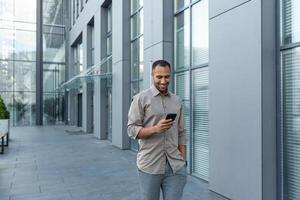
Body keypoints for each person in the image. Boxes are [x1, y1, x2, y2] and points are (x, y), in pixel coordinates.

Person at [127, 60, 187, 200]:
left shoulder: (177, 101)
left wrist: (183, 161)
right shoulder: (141, 99)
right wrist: (155, 129)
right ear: (152, 76)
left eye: (167, 76)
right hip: (150, 165)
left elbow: (182, 132)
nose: (163, 81)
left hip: (175, 166)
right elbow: (131, 130)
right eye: (159, 77)